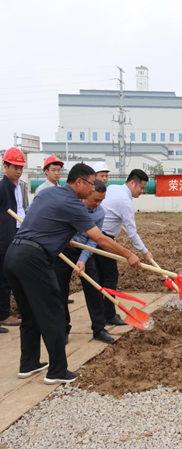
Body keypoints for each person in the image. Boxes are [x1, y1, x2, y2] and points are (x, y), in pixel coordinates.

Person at [3, 163, 140, 384]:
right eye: (91, 183)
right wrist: (129, 255)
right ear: (79, 182)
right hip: (34, 260)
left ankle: (28, 364)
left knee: (29, 314)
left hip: (14, 255)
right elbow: (101, 239)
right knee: (54, 314)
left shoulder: (47, 193)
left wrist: (61, 236)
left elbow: (41, 221)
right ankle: (57, 371)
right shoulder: (74, 204)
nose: (93, 188)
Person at [53, 179, 114, 345]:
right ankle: (62, 329)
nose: (98, 204)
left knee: (94, 289)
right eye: (95, 200)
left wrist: (82, 259)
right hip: (62, 252)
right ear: (87, 193)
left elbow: (94, 239)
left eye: (101, 200)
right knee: (60, 292)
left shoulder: (100, 213)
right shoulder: (70, 206)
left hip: (85, 251)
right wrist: (64, 237)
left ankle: (99, 328)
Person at [95, 169, 153, 325]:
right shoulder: (126, 202)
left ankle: (100, 314)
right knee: (111, 276)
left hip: (95, 234)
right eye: (141, 188)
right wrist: (145, 252)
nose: (142, 191)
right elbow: (132, 234)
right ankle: (109, 315)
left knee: (100, 277)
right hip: (104, 238)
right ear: (132, 183)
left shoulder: (113, 188)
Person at [0, 147, 27, 333]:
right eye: (15, 167)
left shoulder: (20, 186)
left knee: (13, 276)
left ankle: (15, 311)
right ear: (5, 166)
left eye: (21, 167)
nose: (18, 171)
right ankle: (3, 315)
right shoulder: (2, 188)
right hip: (4, 239)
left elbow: (21, 210)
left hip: (17, 235)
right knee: (3, 279)